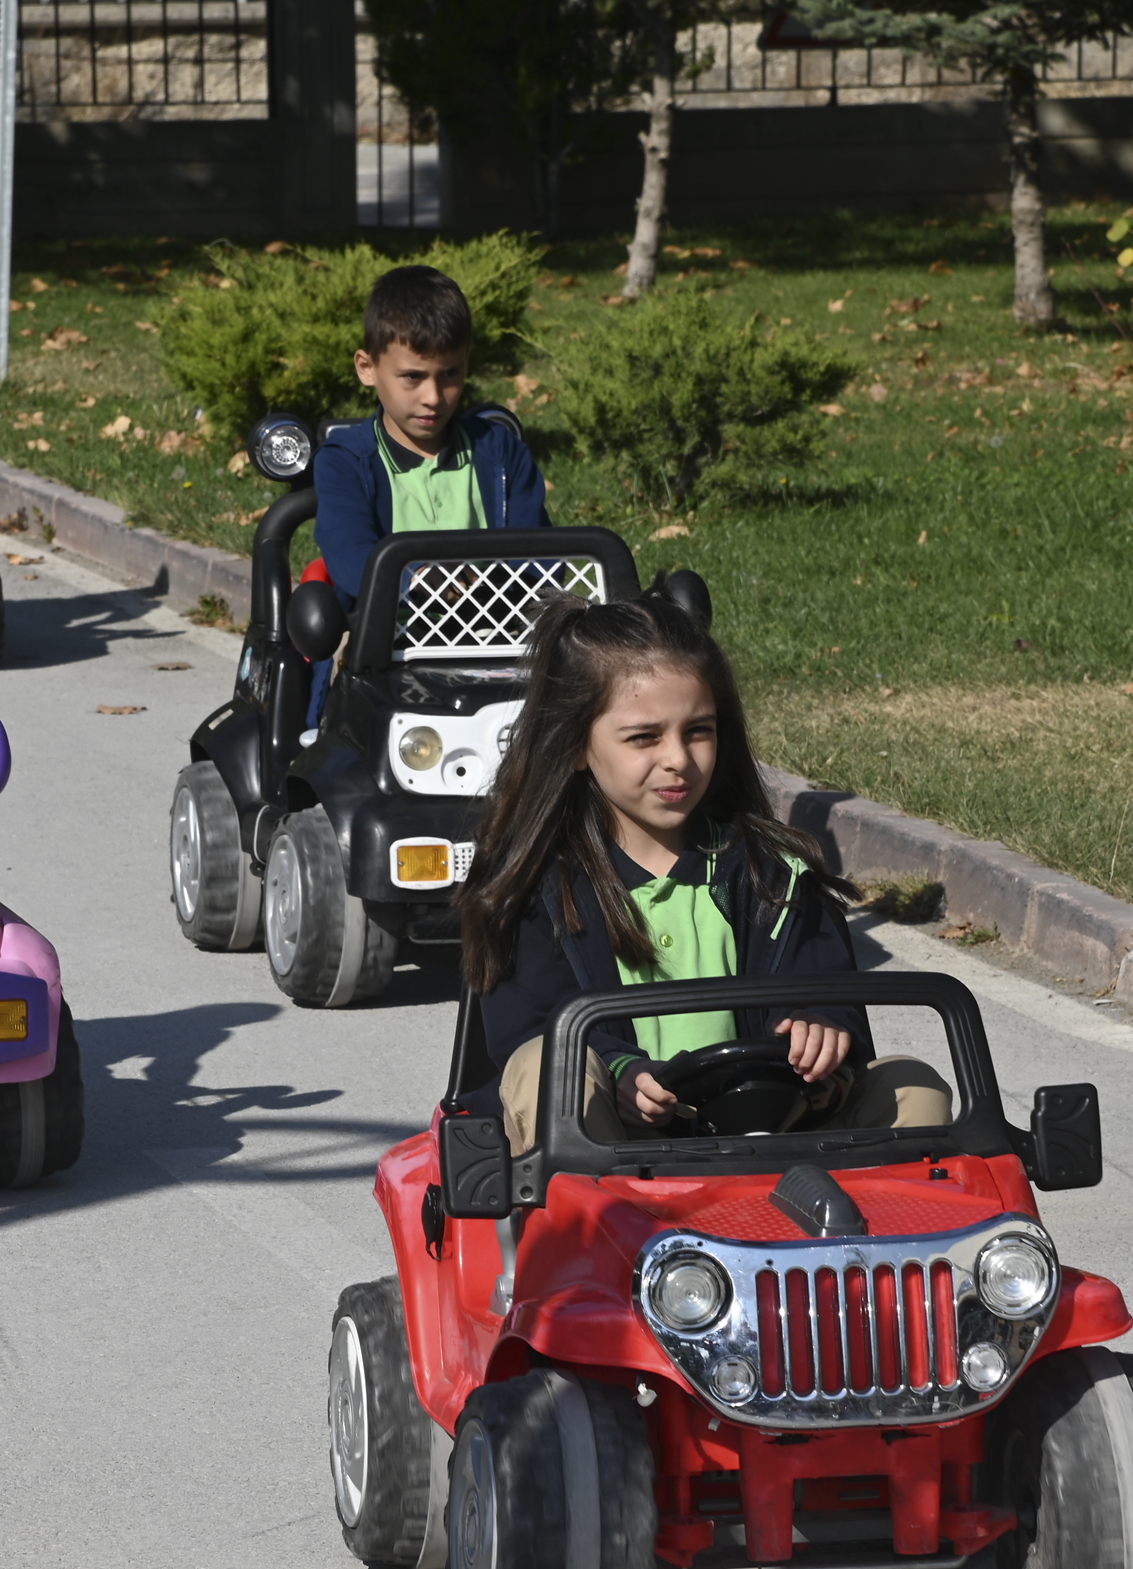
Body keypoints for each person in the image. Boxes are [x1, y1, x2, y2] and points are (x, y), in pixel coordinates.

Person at [458, 595, 951, 1152]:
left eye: (698, 730)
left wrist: (819, 1024)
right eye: (644, 737)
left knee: (914, 1085)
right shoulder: (537, 891)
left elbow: (823, 987)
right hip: (612, 1155)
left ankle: (888, 1237)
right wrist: (619, 1072)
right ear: (576, 745)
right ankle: (584, 1230)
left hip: (774, 1137)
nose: (678, 758)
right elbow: (527, 1029)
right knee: (547, 1065)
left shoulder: (773, 876)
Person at [306, 264, 547, 724]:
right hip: (383, 638)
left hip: (495, 630)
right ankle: (325, 744)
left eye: (449, 375)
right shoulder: (344, 460)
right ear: (367, 369)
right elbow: (352, 557)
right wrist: (428, 585)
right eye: (412, 377)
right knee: (341, 658)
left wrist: (483, 591)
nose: (433, 397)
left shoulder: (499, 451)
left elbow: (536, 552)